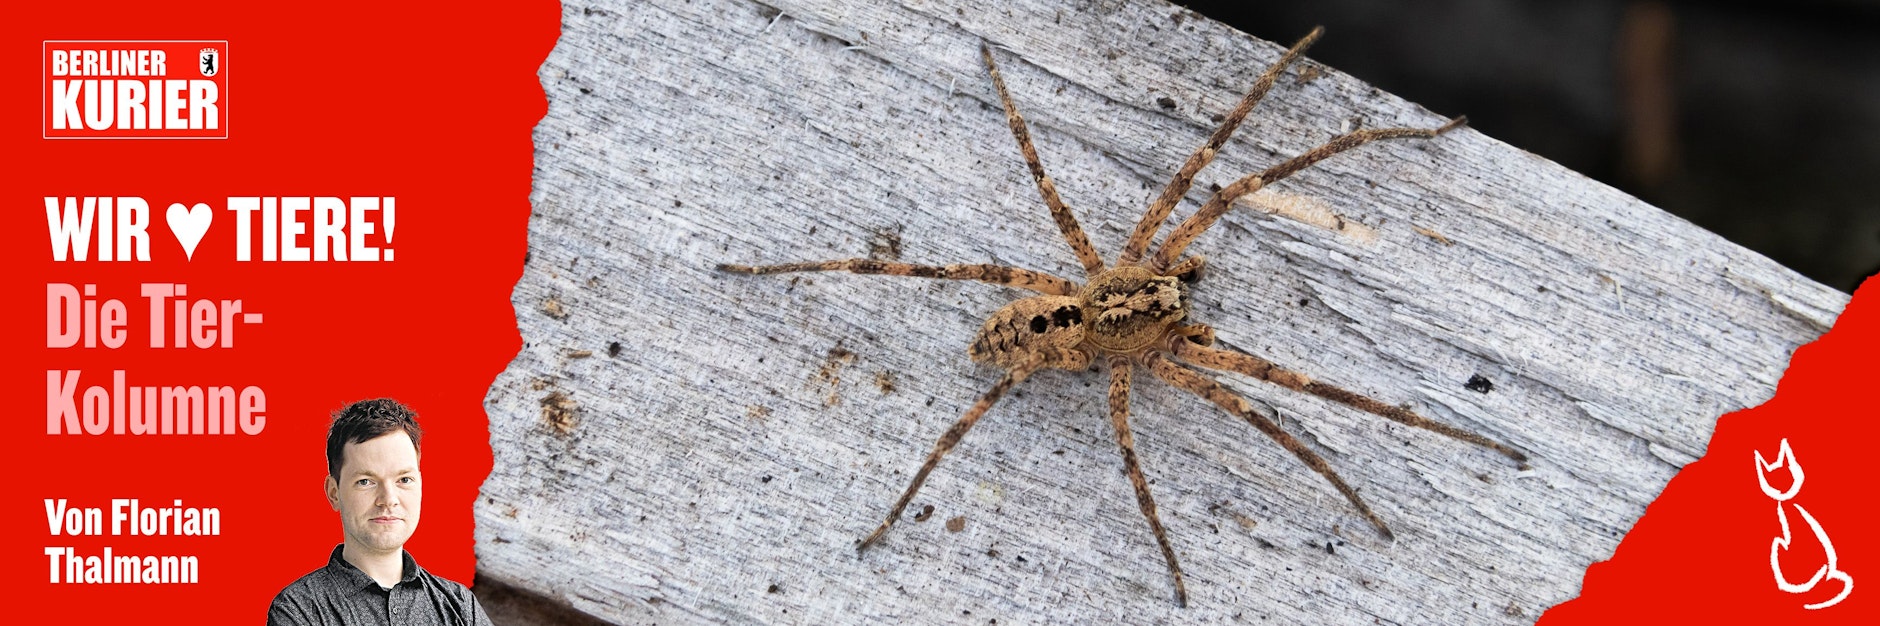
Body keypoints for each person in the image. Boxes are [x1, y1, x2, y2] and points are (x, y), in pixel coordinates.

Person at [268, 398, 490, 625]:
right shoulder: (298, 610)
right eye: (366, 481)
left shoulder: (460, 605)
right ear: (334, 493)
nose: (388, 500)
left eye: (404, 479)